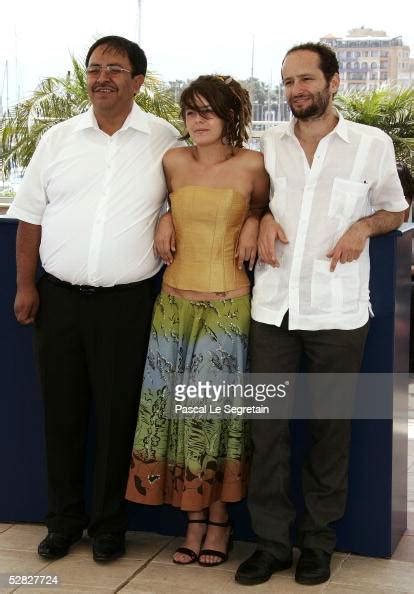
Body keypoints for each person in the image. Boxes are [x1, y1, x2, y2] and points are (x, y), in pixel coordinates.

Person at [235, 42, 408, 587]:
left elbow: (397, 208)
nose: (295, 91)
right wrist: (258, 218)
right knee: (268, 432)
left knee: (330, 432)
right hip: (273, 307)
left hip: (338, 310)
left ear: (334, 83)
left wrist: (362, 227)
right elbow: (255, 201)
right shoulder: (270, 142)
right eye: (287, 82)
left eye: (305, 79)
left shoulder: (370, 144)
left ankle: (317, 543)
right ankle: (270, 544)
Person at [9, 35, 181, 563]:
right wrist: (25, 284)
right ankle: (63, 521)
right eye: (94, 68)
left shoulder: (164, 139)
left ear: (138, 81)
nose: (101, 77)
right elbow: (30, 215)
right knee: (61, 415)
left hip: (127, 305)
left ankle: (109, 525)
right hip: (57, 300)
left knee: (116, 417)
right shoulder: (58, 139)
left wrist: (171, 213)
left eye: (114, 68)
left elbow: (194, 191)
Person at [125, 74, 269, 567]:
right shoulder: (172, 161)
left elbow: (265, 205)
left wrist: (254, 220)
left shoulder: (253, 163)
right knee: (174, 415)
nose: (198, 120)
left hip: (227, 304)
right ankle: (192, 521)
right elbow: (154, 204)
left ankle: (219, 523)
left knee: (214, 417)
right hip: (172, 306)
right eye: (191, 112)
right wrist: (166, 215)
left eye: (209, 111)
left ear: (231, 115)